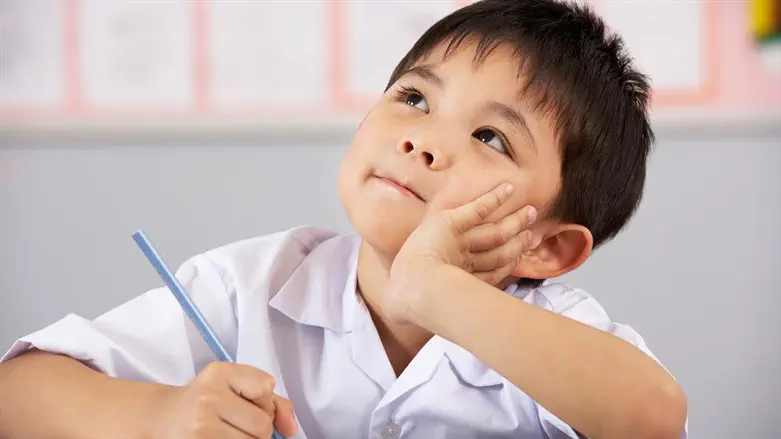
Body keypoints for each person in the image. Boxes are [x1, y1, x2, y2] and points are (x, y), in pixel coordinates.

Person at [0, 1, 688, 438]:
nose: (422, 138)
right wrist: (157, 419)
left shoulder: (558, 338)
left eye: (490, 138)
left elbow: (652, 418)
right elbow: (19, 394)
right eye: (414, 96)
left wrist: (433, 286)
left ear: (546, 247)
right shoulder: (250, 284)